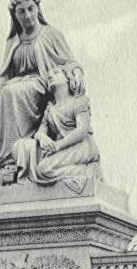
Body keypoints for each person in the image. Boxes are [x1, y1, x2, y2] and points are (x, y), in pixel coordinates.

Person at [0, 0, 84, 185]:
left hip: (42, 87)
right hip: (15, 87)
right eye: (21, 11)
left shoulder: (51, 34)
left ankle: (9, 159)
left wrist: (76, 73)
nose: (27, 15)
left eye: (30, 8)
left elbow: (70, 62)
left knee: (10, 93)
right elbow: (5, 74)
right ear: (14, 15)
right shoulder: (13, 41)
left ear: (38, 8)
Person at [12, 65, 101, 193]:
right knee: (37, 162)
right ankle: (76, 172)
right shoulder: (50, 109)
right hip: (59, 148)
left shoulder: (78, 101)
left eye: (56, 73)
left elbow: (82, 130)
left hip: (81, 146)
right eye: (49, 76)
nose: (50, 76)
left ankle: (87, 171)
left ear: (67, 78)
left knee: (44, 169)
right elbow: (40, 132)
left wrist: (58, 145)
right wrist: (43, 138)